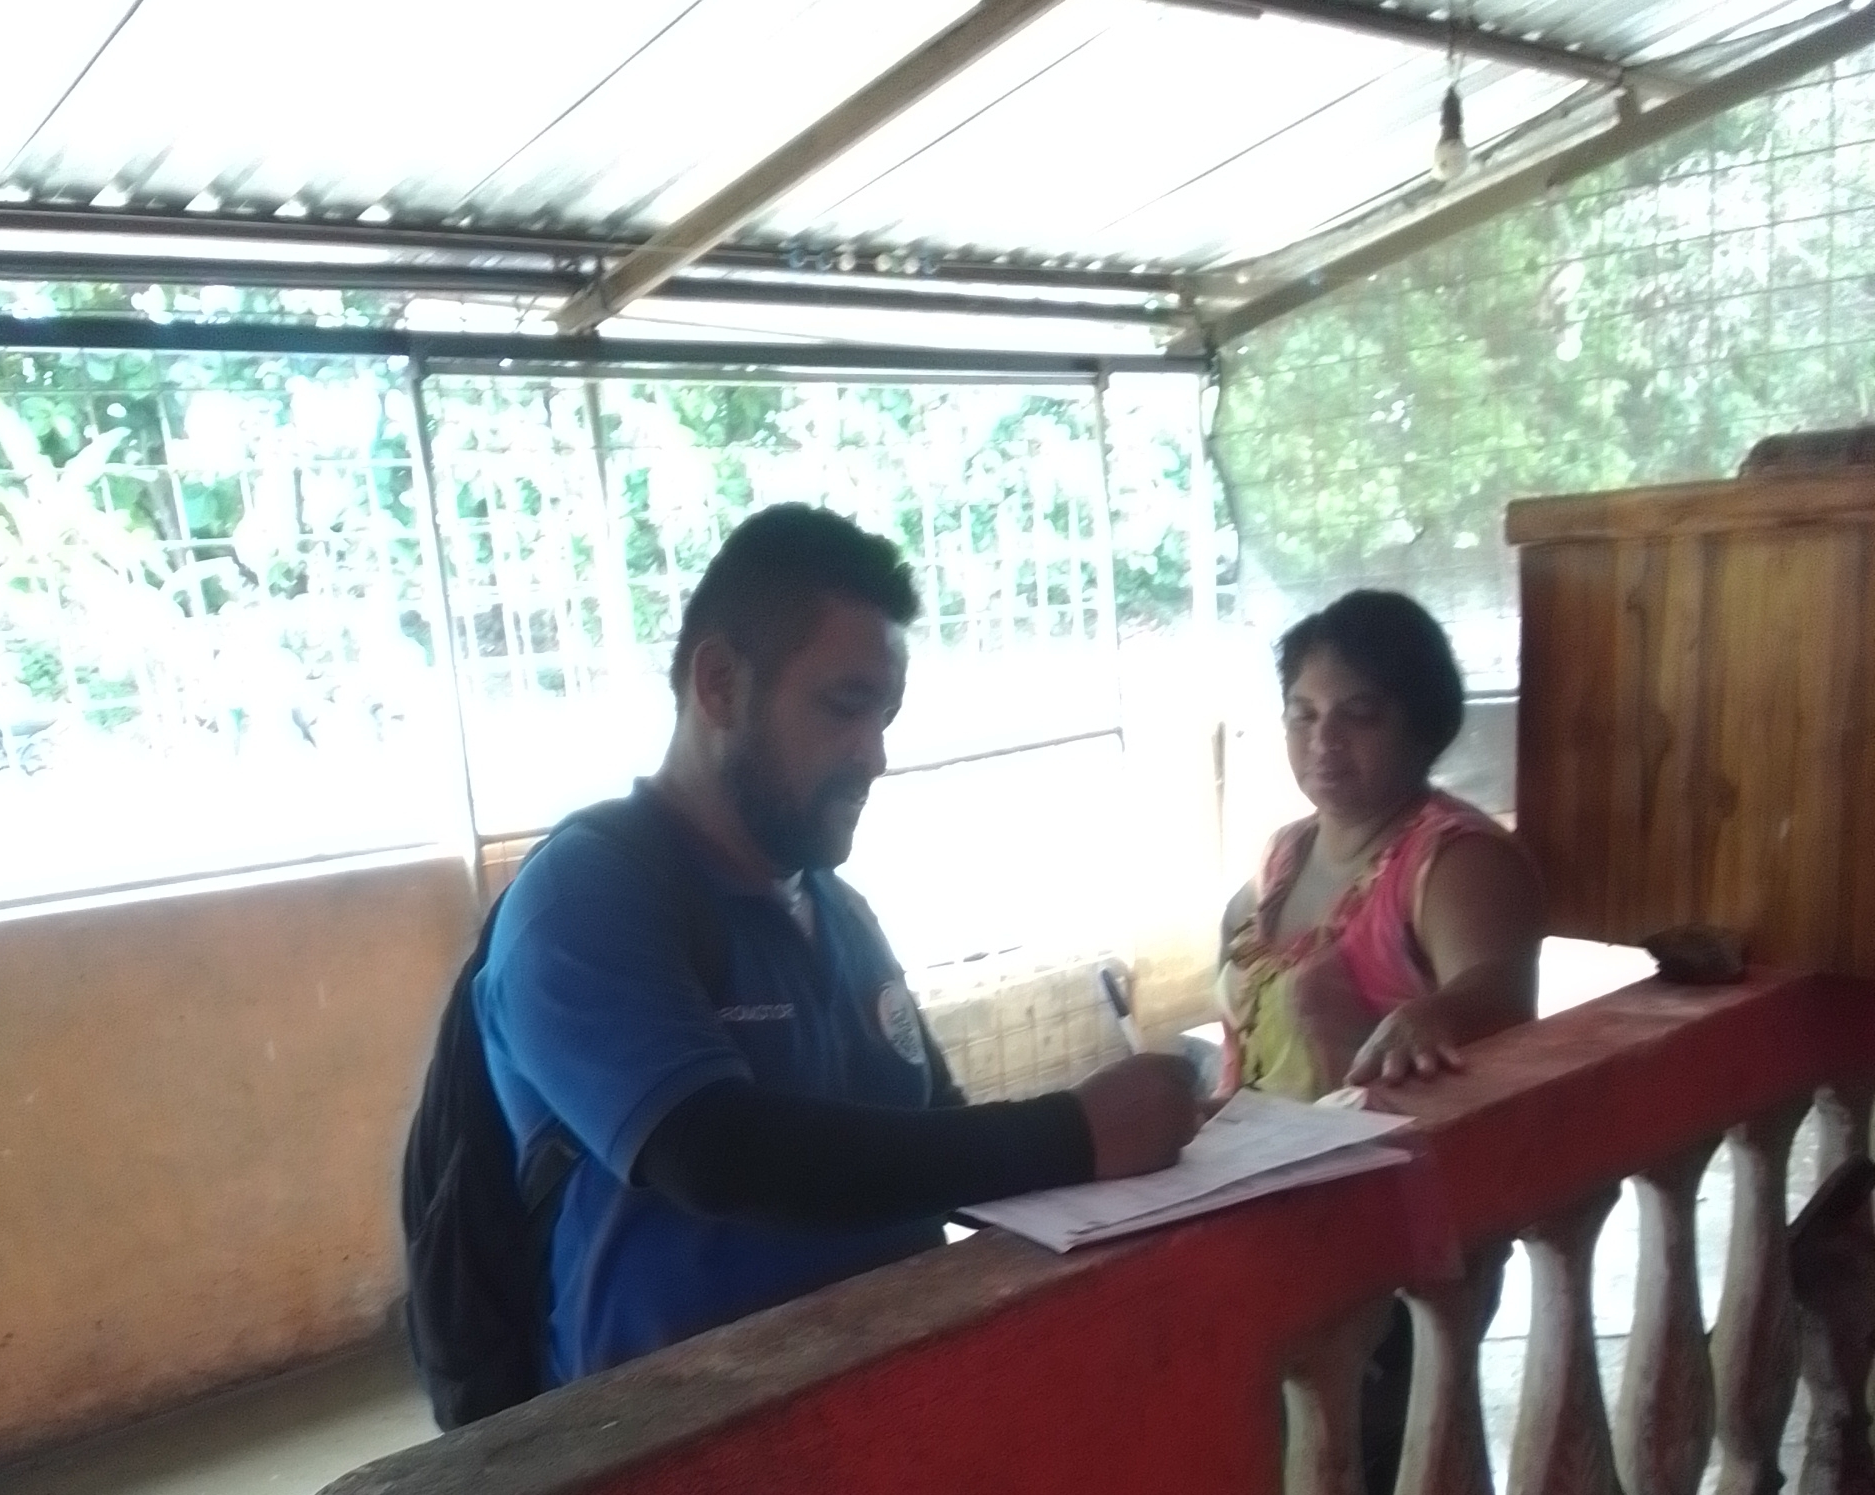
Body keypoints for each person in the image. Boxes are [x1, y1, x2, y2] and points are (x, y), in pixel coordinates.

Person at [475, 503, 1201, 1385]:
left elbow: (935, 1135)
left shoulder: (840, 913)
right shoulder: (586, 897)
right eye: (845, 707)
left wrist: (1149, 1162)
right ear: (719, 684)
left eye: (885, 716)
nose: (875, 755)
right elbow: (715, 1153)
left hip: (887, 1405)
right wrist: (1074, 1134)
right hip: (684, 1437)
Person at [1216, 589, 1543, 1102]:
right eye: (1304, 714)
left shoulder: (1455, 860)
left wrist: (1435, 1016)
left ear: (1422, 725)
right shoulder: (1284, 854)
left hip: (1384, 1149)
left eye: (1359, 713)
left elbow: (1501, 997)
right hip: (1252, 1143)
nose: (1324, 739)